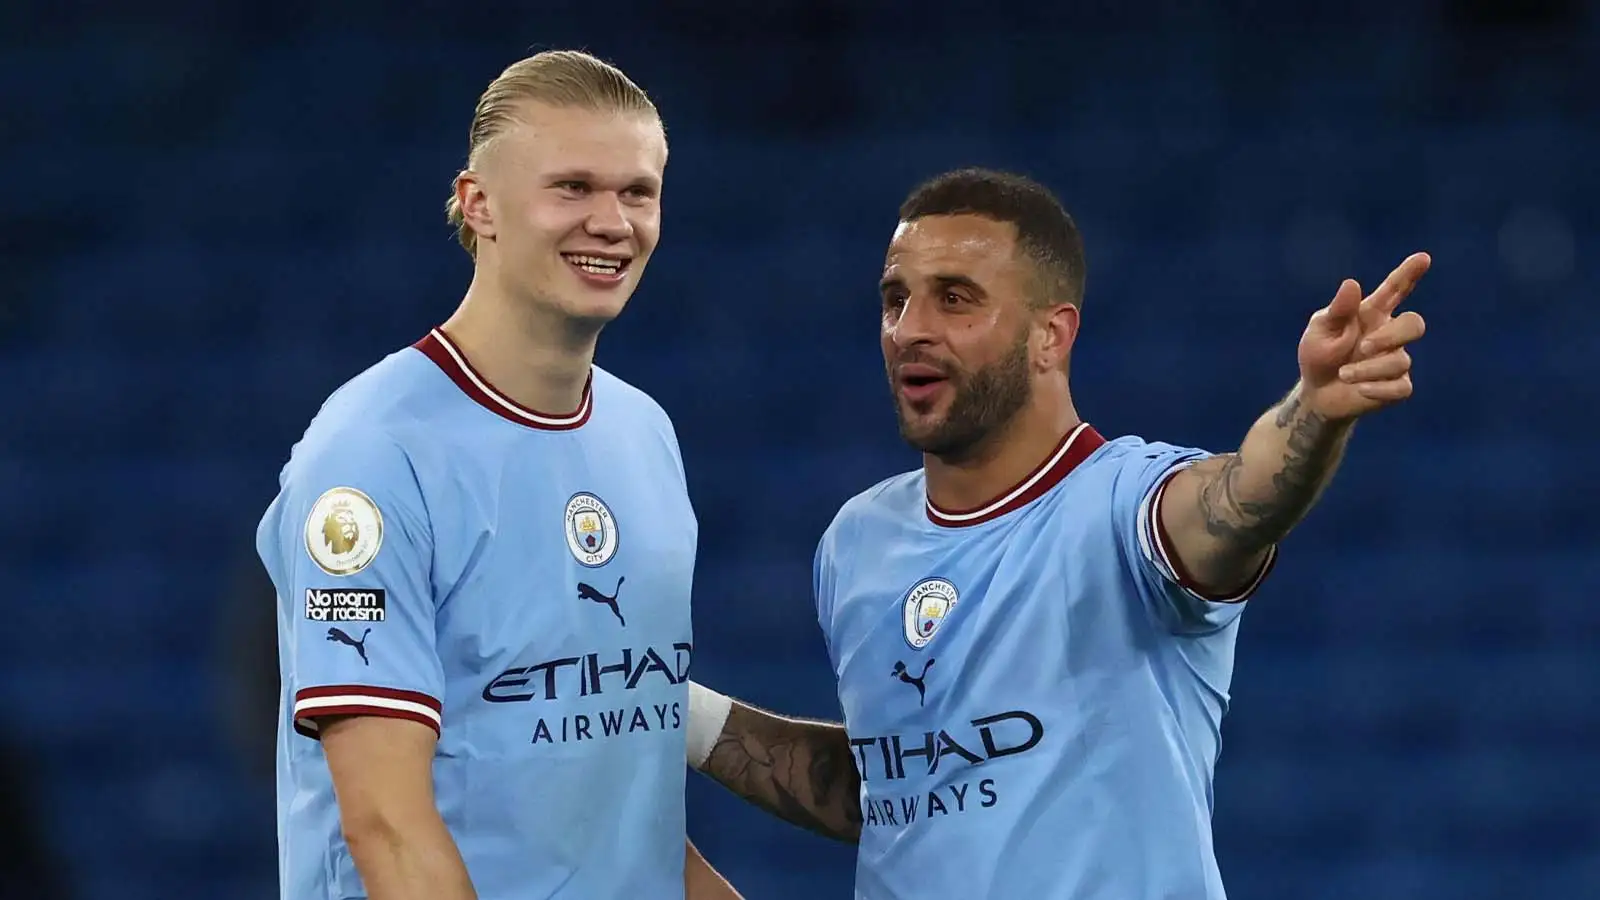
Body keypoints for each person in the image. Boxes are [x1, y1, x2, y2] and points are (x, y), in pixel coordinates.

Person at [684, 167, 1430, 898]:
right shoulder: (857, 542)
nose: (910, 330)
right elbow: (899, 789)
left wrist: (1313, 411)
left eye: (954, 299)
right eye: (895, 299)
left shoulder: (1122, 506)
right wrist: (674, 713)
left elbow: (1243, 499)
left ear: (1051, 334)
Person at [257, 50, 740, 900]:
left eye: (638, 192)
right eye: (573, 188)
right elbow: (388, 830)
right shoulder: (372, 456)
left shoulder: (644, 434)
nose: (612, 222)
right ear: (478, 204)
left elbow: (623, 803)